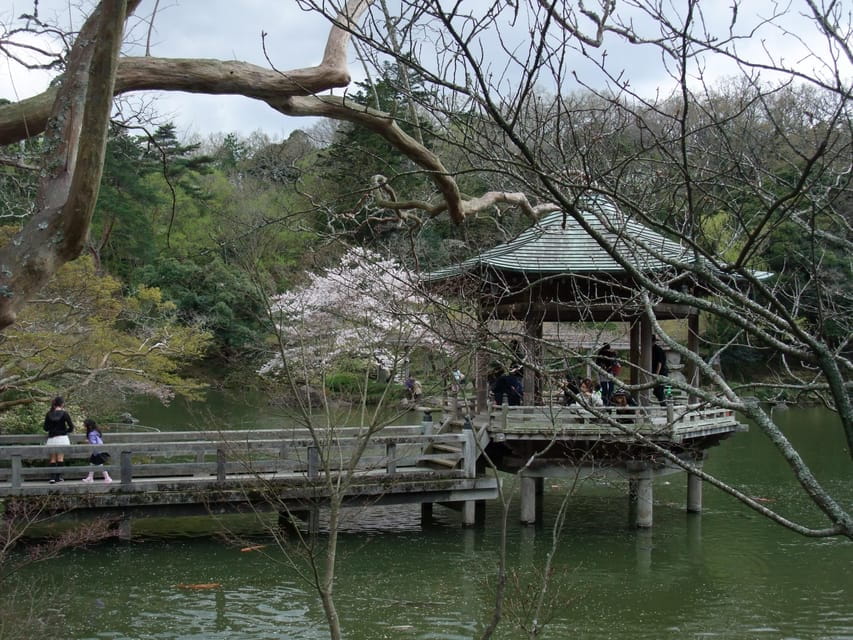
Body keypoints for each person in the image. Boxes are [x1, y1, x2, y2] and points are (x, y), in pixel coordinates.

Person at [43, 396, 74, 483]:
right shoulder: (65, 413)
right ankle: (58, 477)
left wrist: (53, 430)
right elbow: (71, 427)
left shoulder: (49, 414)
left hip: (52, 439)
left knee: (52, 459)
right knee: (60, 458)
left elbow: (45, 428)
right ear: (62, 404)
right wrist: (64, 431)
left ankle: (52, 478)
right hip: (62, 438)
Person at [82, 419, 112, 484]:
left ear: (89, 426)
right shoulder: (96, 431)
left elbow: (94, 443)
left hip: (97, 451)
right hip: (100, 450)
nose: (84, 426)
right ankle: (90, 478)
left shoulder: (91, 434)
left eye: (85, 425)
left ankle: (107, 478)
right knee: (93, 463)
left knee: (98, 465)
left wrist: (88, 441)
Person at [651, 336, 670, 404]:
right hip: (655, 372)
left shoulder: (658, 350)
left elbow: (660, 363)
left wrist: (657, 374)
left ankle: (664, 405)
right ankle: (663, 404)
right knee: (656, 391)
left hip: (661, 373)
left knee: (659, 390)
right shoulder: (651, 349)